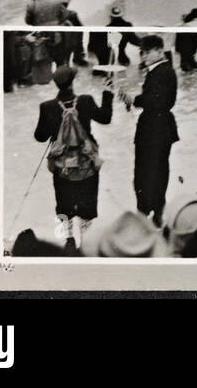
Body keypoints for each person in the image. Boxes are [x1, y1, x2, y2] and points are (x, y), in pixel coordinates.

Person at [34, 65, 114, 255]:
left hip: (63, 168)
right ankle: (86, 243)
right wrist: (108, 93)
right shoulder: (85, 101)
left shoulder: (47, 107)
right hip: (87, 163)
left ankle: (69, 240)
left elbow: (40, 136)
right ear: (72, 81)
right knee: (87, 203)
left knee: (63, 203)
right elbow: (105, 118)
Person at [122, 35, 179, 226]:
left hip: (154, 129)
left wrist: (134, 100)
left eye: (147, 52)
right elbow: (156, 99)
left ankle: (147, 211)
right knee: (158, 170)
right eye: (141, 52)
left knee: (145, 172)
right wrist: (135, 100)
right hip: (161, 128)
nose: (143, 56)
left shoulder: (162, 72)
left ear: (159, 51)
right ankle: (156, 210)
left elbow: (158, 101)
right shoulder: (161, 70)